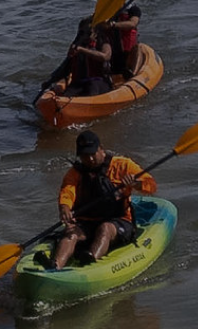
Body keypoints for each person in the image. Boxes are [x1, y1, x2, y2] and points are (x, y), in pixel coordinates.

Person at [53, 130, 155, 270]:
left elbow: (151, 186)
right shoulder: (75, 173)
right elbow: (67, 191)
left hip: (119, 221)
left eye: (92, 154)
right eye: (84, 156)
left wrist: (136, 183)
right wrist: (64, 207)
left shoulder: (123, 165)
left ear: (101, 149)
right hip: (87, 222)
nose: (90, 159)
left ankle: (90, 262)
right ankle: (55, 266)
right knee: (70, 233)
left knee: (105, 228)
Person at [36, 16, 115, 109]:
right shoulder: (76, 47)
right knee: (68, 94)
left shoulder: (102, 42)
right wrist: (50, 82)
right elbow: (65, 68)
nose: (85, 35)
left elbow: (105, 56)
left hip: (97, 81)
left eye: (88, 32)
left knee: (91, 90)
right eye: (82, 32)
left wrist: (82, 50)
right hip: (78, 83)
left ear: (95, 32)